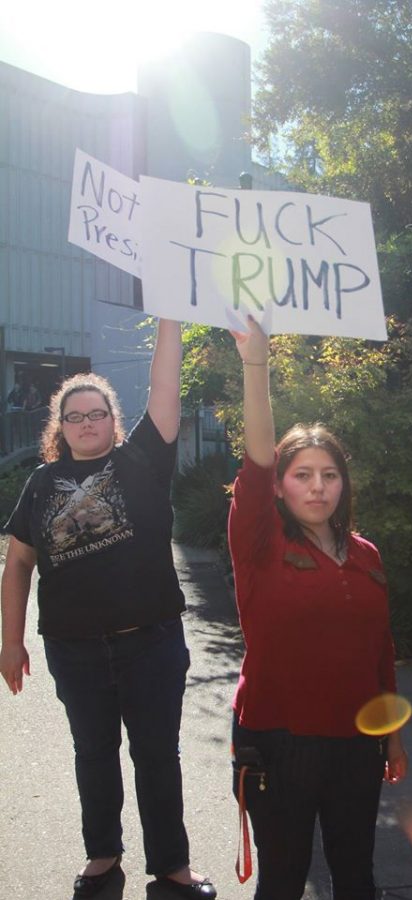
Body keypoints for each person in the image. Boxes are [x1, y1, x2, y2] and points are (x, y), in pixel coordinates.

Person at [0, 320, 217, 900]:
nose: (87, 422)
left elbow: (164, 389)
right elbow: (17, 562)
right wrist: (11, 640)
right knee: (93, 754)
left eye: (97, 413)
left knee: (157, 756)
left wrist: (169, 317)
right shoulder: (42, 484)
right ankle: (102, 855)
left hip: (151, 641)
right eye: (75, 415)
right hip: (74, 649)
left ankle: (172, 865)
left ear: (113, 421)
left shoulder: (143, 461)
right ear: (60, 426)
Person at [227, 315, 408, 900]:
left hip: (358, 743)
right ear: (280, 487)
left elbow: (380, 648)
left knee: (357, 875)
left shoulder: (366, 555)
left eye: (330, 475)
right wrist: (257, 363)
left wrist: (394, 737)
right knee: (283, 880)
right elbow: (257, 460)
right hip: (279, 741)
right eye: (302, 475)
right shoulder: (260, 543)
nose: (317, 486)